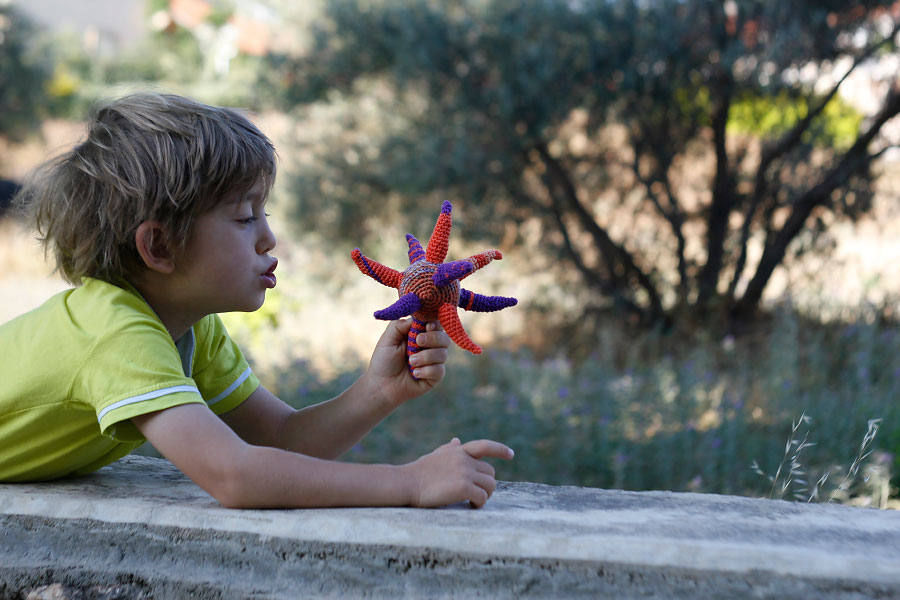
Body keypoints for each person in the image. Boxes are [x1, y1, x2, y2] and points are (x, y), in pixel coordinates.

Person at [0, 92, 513, 508]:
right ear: (158, 246)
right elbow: (236, 476)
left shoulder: (189, 332)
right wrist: (409, 484)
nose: (269, 239)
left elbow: (282, 440)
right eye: (246, 217)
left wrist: (378, 391)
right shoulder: (116, 334)